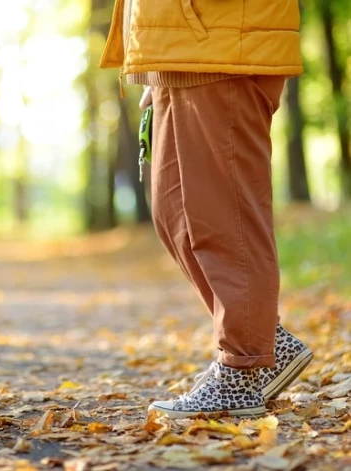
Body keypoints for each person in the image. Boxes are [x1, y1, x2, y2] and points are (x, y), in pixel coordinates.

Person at [100, 0, 313, 418]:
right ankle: (264, 338)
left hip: (223, 44)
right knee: (173, 212)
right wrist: (159, 57)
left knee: (224, 217)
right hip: (181, 49)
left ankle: (241, 369)